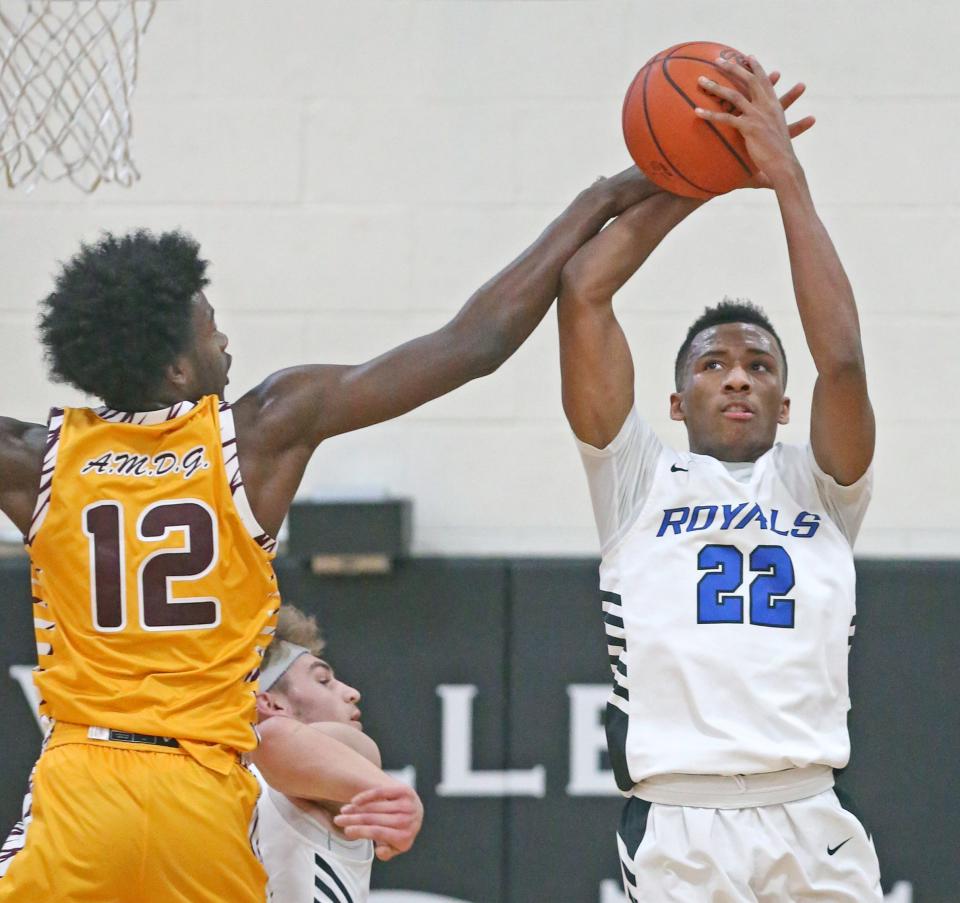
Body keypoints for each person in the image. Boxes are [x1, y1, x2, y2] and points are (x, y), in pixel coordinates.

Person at [0, 167, 658, 902]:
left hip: (84, 782)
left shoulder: (35, 460)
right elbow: (476, 343)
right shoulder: (260, 431)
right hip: (202, 788)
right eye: (211, 327)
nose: (226, 341)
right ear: (177, 365)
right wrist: (598, 200)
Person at [556, 56, 881, 901]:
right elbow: (585, 290)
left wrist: (785, 181)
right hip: (679, 825)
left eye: (760, 365)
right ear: (676, 396)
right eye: (713, 363)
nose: (737, 376)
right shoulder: (635, 481)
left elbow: (841, 359)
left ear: (783, 402)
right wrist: (695, 172)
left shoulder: (824, 485)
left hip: (809, 813)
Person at [251, 604, 422, 903]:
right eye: (323, 680)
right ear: (271, 703)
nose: (351, 691)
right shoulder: (232, 770)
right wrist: (394, 792)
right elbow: (273, 737)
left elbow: (274, 741)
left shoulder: (341, 755)